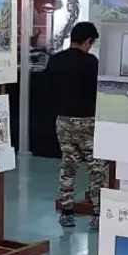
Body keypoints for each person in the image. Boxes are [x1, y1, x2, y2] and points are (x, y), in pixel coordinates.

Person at [47, 21, 105, 230]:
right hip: (88, 122)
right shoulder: (92, 63)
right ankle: (98, 215)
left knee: (68, 166)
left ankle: (66, 212)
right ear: (88, 41)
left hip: (63, 121)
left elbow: (49, 89)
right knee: (96, 169)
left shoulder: (55, 61)